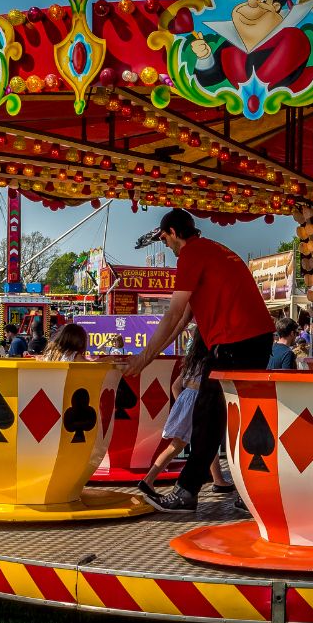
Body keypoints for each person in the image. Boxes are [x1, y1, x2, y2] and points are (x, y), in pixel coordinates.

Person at [123, 209, 273, 513]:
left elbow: (174, 313)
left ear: (175, 232)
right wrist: (148, 357)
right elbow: (184, 320)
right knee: (234, 417)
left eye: (165, 239)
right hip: (253, 338)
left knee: (209, 416)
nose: (165, 245)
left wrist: (143, 359)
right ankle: (247, 493)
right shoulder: (214, 251)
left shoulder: (191, 254)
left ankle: (188, 492)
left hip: (235, 341)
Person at [138, 327, 234, 497]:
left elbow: (176, 385)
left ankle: (218, 479)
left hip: (187, 400)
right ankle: (148, 479)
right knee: (187, 444)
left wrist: (181, 406)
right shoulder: (210, 362)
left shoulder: (191, 360)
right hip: (200, 401)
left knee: (201, 443)